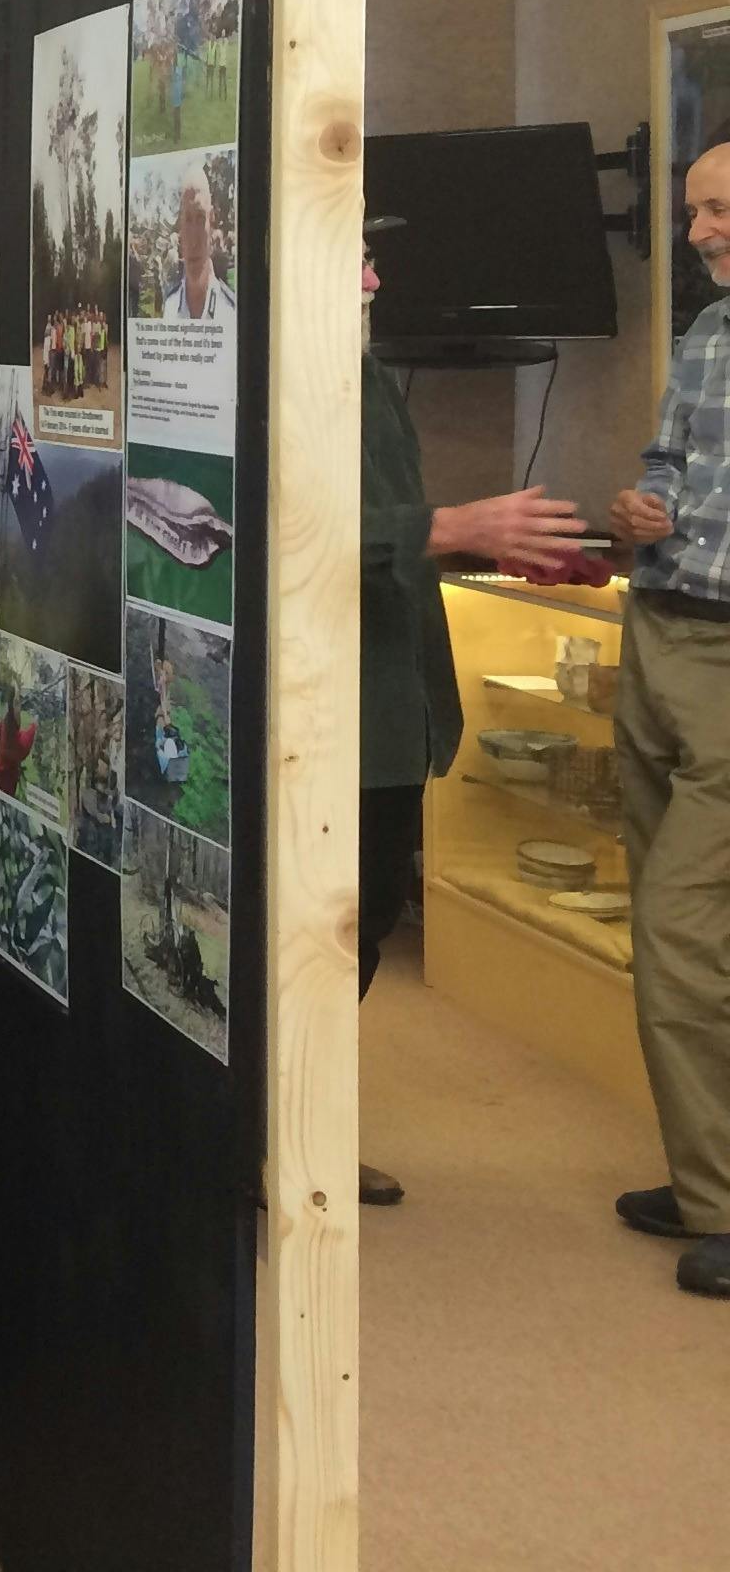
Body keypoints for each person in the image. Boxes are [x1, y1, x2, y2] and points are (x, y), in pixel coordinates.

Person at [358, 212, 588, 1203]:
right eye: (354, 258)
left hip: (396, 698)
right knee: (330, 926)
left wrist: (470, 541)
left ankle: (303, 1124)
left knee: (359, 922)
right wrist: (456, 522)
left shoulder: (367, 378)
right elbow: (281, 532)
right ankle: (276, 1139)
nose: (374, 280)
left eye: (372, 260)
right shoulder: (276, 381)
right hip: (337, 713)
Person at [603, 137, 730, 1299]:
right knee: (666, 918)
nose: (696, 234)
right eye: (693, 212)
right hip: (656, 632)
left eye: (715, 211)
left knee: (683, 939)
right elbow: (666, 466)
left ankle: (726, 1199)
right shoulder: (703, 339)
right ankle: (705, 1182)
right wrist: (638, 507)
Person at [167, 170, 233, 321]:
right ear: (180, 227)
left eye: (201, 218)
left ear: (212, 221)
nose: (194, 241)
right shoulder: (169, 309)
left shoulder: (231, 313)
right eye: (188, 219)